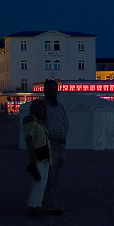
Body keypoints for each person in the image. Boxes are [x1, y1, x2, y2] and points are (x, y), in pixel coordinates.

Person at [34, 79, 68, 217]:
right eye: (48, 89)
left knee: (56, 177)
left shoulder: (59, 106)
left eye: (53, 89)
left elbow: (66, 122)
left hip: (61, 144)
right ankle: (49, 206)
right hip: (49, 145)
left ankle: (50, 204)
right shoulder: (41, 107)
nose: (51, 92)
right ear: (44, 91)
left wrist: (63, 134)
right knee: (50, 178)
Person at [23, 105, 52, 218]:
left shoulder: (39, 122)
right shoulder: (31, 122)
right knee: (38, 183)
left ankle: (37, 206)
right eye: (40, 109)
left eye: (43, 109)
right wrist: (32, 156)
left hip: (45, 156)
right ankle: (32, 207)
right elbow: (28, 139)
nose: (42, 111)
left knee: (42, 184)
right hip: (37, 157)